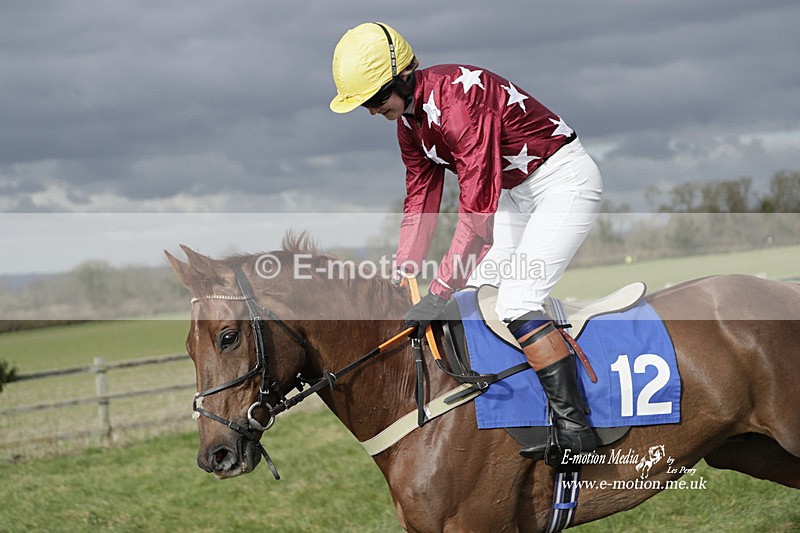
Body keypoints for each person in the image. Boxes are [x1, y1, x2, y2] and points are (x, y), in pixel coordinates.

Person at [330, 22, 603, 463]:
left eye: (376, 99)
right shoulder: (410, 124)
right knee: (476, 297)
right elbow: (421, 197)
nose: (371, 110)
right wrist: (405, 272)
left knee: (515, 302)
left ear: (402, 78)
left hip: (562, 183)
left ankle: (577, 431)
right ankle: (517, 408)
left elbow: (475, 219)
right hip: (516, 194)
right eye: (364, 104)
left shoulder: (458, 102)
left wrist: (438, 292)